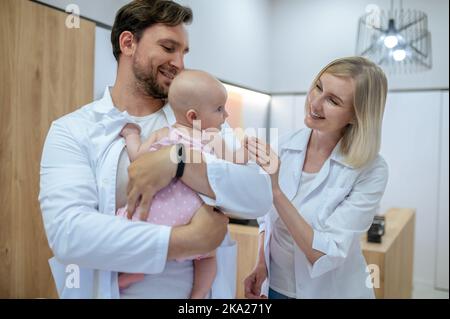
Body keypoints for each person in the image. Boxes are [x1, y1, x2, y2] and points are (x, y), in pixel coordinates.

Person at [39, 0, 272, 299]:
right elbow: (69, 234)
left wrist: (182, 162)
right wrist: (186, 240)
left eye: (183, 52)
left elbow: (258, 197)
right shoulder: (72, 130)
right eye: (168, 47)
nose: (179, 62)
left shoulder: (200, 120)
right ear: (128, 43)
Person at [244, 56, 389, 299]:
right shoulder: (284, 145)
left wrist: (276, 191)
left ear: (356, 116)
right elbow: (266, 221)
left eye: (333, 100)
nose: (315, 102)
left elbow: (325, 254)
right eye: (318, 87)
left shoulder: (372, 169)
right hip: (276, 286)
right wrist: (262, 263)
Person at [116, 69, 248, 298]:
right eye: (219, 109)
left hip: (153, 213)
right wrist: (249, 152)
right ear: (193, 117)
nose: (225, 115)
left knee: (133, 240)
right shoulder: (211, 137)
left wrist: (131, 135)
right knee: (208, 258)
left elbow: (137, 157)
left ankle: (131, 273)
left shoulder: (162, 133)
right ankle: (198, 295)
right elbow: (235, 163)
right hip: (189, 218)